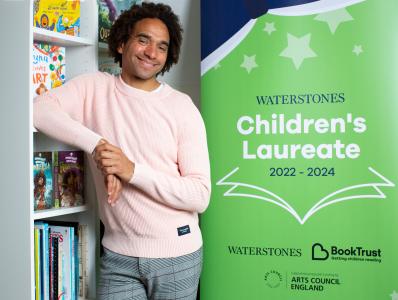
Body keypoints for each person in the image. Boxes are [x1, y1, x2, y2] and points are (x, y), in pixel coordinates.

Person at [34, 2, 211, 299]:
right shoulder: (93, 88)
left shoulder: (181, 107)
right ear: (121, 43)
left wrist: (132, 171)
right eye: (143, 40)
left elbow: (200, 195)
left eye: (162, 47)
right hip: (118, 256)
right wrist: (100, 147)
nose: (151, 53)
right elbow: (38, 111)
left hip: (177, 256)